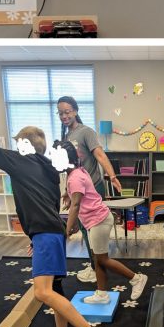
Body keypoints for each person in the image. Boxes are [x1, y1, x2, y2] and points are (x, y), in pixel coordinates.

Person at [0, 126, 110, 327]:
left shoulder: (18, 161)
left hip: (46, 234)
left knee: (42, 292)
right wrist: (37, 237)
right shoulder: (48, 168)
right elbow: (50, 204)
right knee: (55, 290)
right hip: (50, 233)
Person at [58, 140, 148, 304]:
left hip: (98, 220)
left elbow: (76, 205)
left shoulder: (74, 178)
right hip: (97, 219)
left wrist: (67, 229)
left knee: (102, 259)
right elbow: (77, 197)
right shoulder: (78, 171)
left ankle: (136, 278)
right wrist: (68, 195)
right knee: (97, 258)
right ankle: (101, 294)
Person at [57, 96, 121, 284]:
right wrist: (66, 192)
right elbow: (69, 168)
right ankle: (95, 266)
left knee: (92, 230)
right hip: (78, 188)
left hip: (91, 188)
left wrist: (113, 176)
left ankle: (97, 267)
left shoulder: (86, 132)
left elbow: (100, 155)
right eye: (60, 113)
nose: (64, 116)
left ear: (75, 111)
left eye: (67, 112)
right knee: (86, 232)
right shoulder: (66, 136)